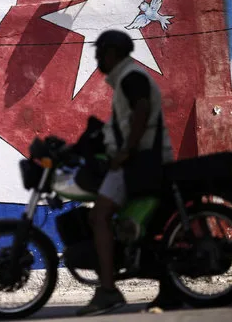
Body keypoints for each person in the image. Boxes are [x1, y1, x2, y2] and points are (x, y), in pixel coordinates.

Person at [76, 29, 179, 316]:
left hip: (137, 161)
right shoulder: (127, 78)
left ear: (111, 53)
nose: (97, 58)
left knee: (99, 215)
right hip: (138, 159)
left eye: (100, 52)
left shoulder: (130, 77)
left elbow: (142, 111)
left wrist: (125, 152)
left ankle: (108, 289)